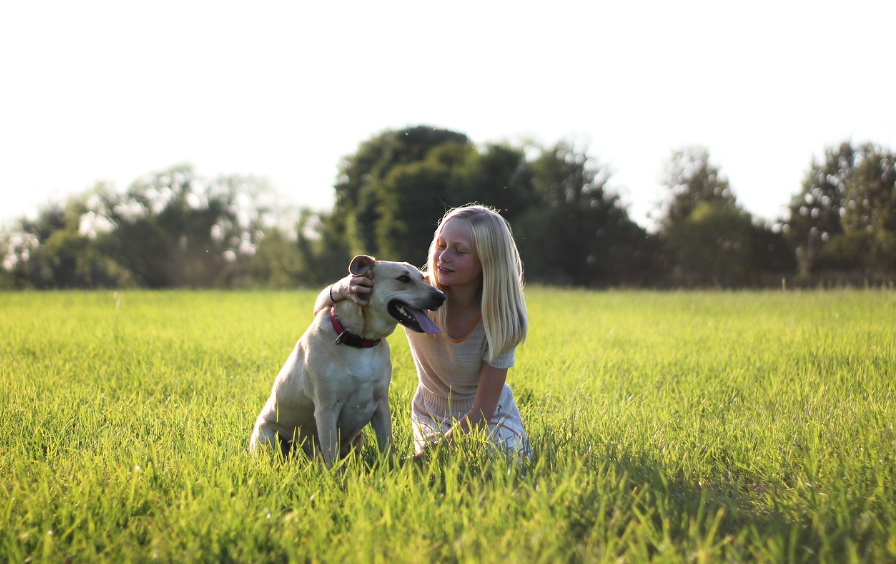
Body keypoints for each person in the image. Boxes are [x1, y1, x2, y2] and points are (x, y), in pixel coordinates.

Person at [314, 204, 530, 458]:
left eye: (459, 251)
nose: (443, 257)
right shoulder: (414, 292)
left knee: (502, 459)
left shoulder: (501, 318)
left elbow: (482, 411)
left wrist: (421, 458)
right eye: (441, 245)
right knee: (443, 468)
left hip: (491, 415)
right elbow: (320, 308)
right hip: (432, 414)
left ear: (487, 261)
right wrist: (343, 287)